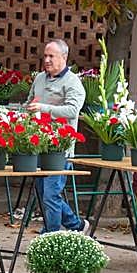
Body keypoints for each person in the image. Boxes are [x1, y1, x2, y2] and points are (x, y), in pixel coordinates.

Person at [25, 38, 89, 234]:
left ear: (64, 57)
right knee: (44, 192)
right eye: (45, 56)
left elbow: (72, 110)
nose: (47, 60)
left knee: (51, 194)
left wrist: (44, 108)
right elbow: (29, 102)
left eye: (51, 56)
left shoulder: (73, 83)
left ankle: (50, 235)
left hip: (61, 148)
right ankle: (76, 225)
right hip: (39, 144)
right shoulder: (39, 79)